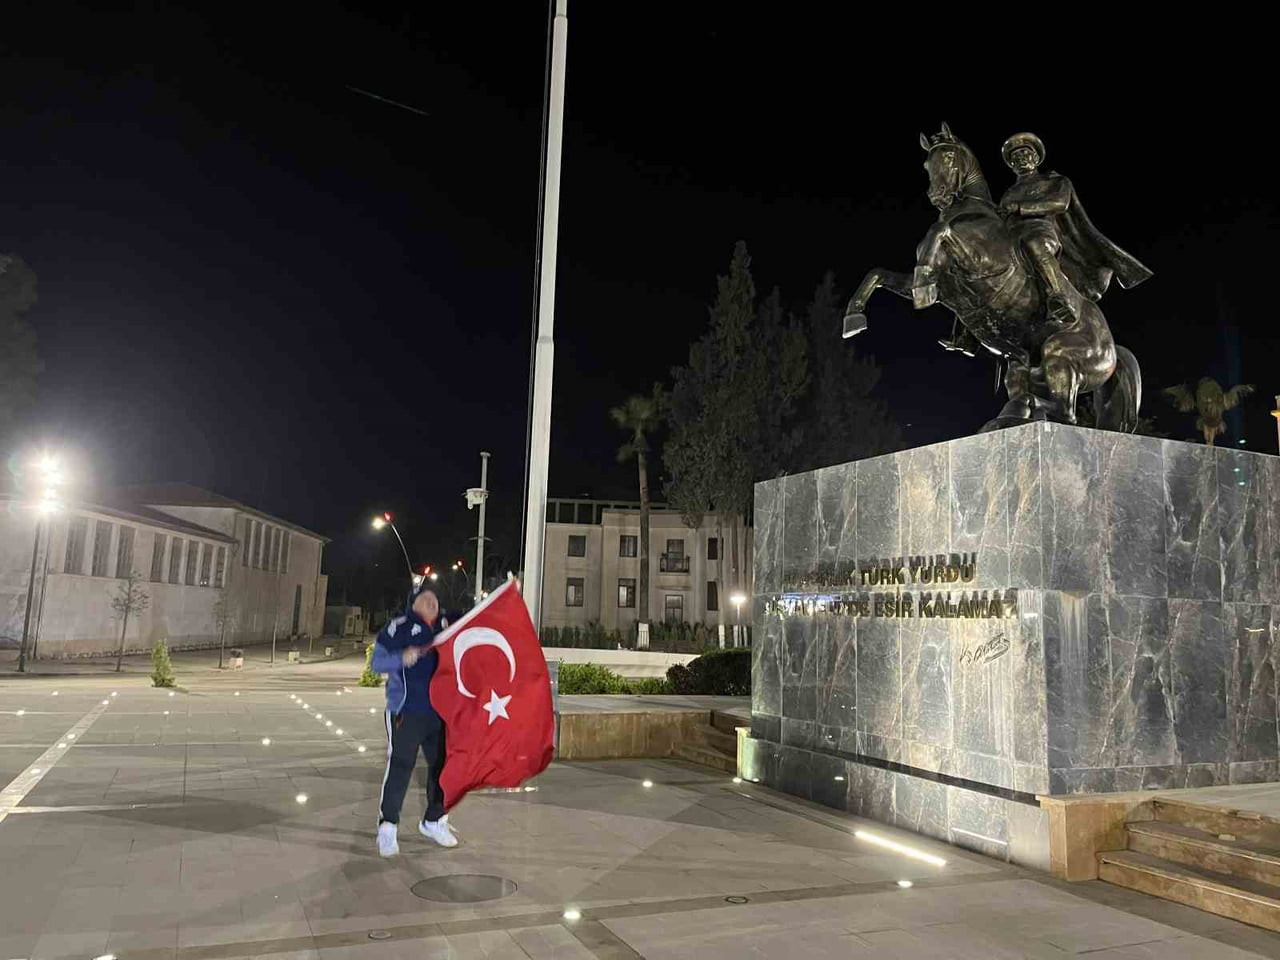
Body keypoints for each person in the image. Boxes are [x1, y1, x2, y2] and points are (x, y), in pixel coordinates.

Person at [997, 132, 1151, 326]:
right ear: (1011, 165)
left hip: (1040, 230)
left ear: (1035, 158)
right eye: (1015, 157)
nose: (1021, 159)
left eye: (1025, 154)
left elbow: (1059, 203)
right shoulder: (1009, 193)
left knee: (1035, 244)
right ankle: (968, 330)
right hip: (1011, 237)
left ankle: (1058, 297)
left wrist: (1020, 208)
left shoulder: (1055, 181)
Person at [371, 584, 459, 857]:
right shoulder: (401, 626)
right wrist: (401, 657)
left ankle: (434, 820)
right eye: (426, 598)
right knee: (401, 766)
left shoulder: (447, 627)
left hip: (439, 714)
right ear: (414, 603)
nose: (432, 602)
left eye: (435, 599)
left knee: (444, 769)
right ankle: (388, 826)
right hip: (405, 712)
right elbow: (377, 662)